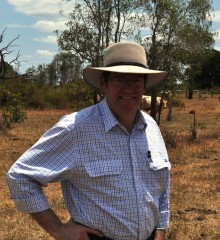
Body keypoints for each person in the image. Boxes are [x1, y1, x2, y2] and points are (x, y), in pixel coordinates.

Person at [7, 42, 171, 240]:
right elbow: (20, 176)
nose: (129, 88)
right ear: (104, 82)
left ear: (144, 85)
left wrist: (160, 229)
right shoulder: (76, 128)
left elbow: (162, 184)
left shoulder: (151, 127)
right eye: (119, 79)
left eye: (136, 80)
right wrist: (58, 230)